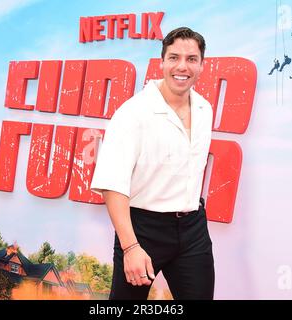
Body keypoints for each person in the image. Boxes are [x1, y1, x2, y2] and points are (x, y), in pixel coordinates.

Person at [91, 27, 214, 300]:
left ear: (202, 65)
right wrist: (130, 247)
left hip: (193, 228)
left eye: (192, 59)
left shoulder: (205, 109)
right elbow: (112, 186)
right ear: (162, 62)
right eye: (174, 57)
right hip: (143, 230)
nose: (182, 66)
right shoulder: (133, 113)